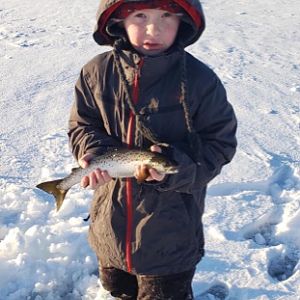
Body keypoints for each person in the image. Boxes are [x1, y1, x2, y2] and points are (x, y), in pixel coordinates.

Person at [68, 0, 237, 299]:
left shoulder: (200, 81)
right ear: (119, 18)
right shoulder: (97, 72)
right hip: (110, 228)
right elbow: (83, 124)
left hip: (170, 239)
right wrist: (92, 152)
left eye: (166, 16)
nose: (153, 28)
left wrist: (174, 167)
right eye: (140, 15)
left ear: (184, 20)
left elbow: (219, 144)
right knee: (118, 289)